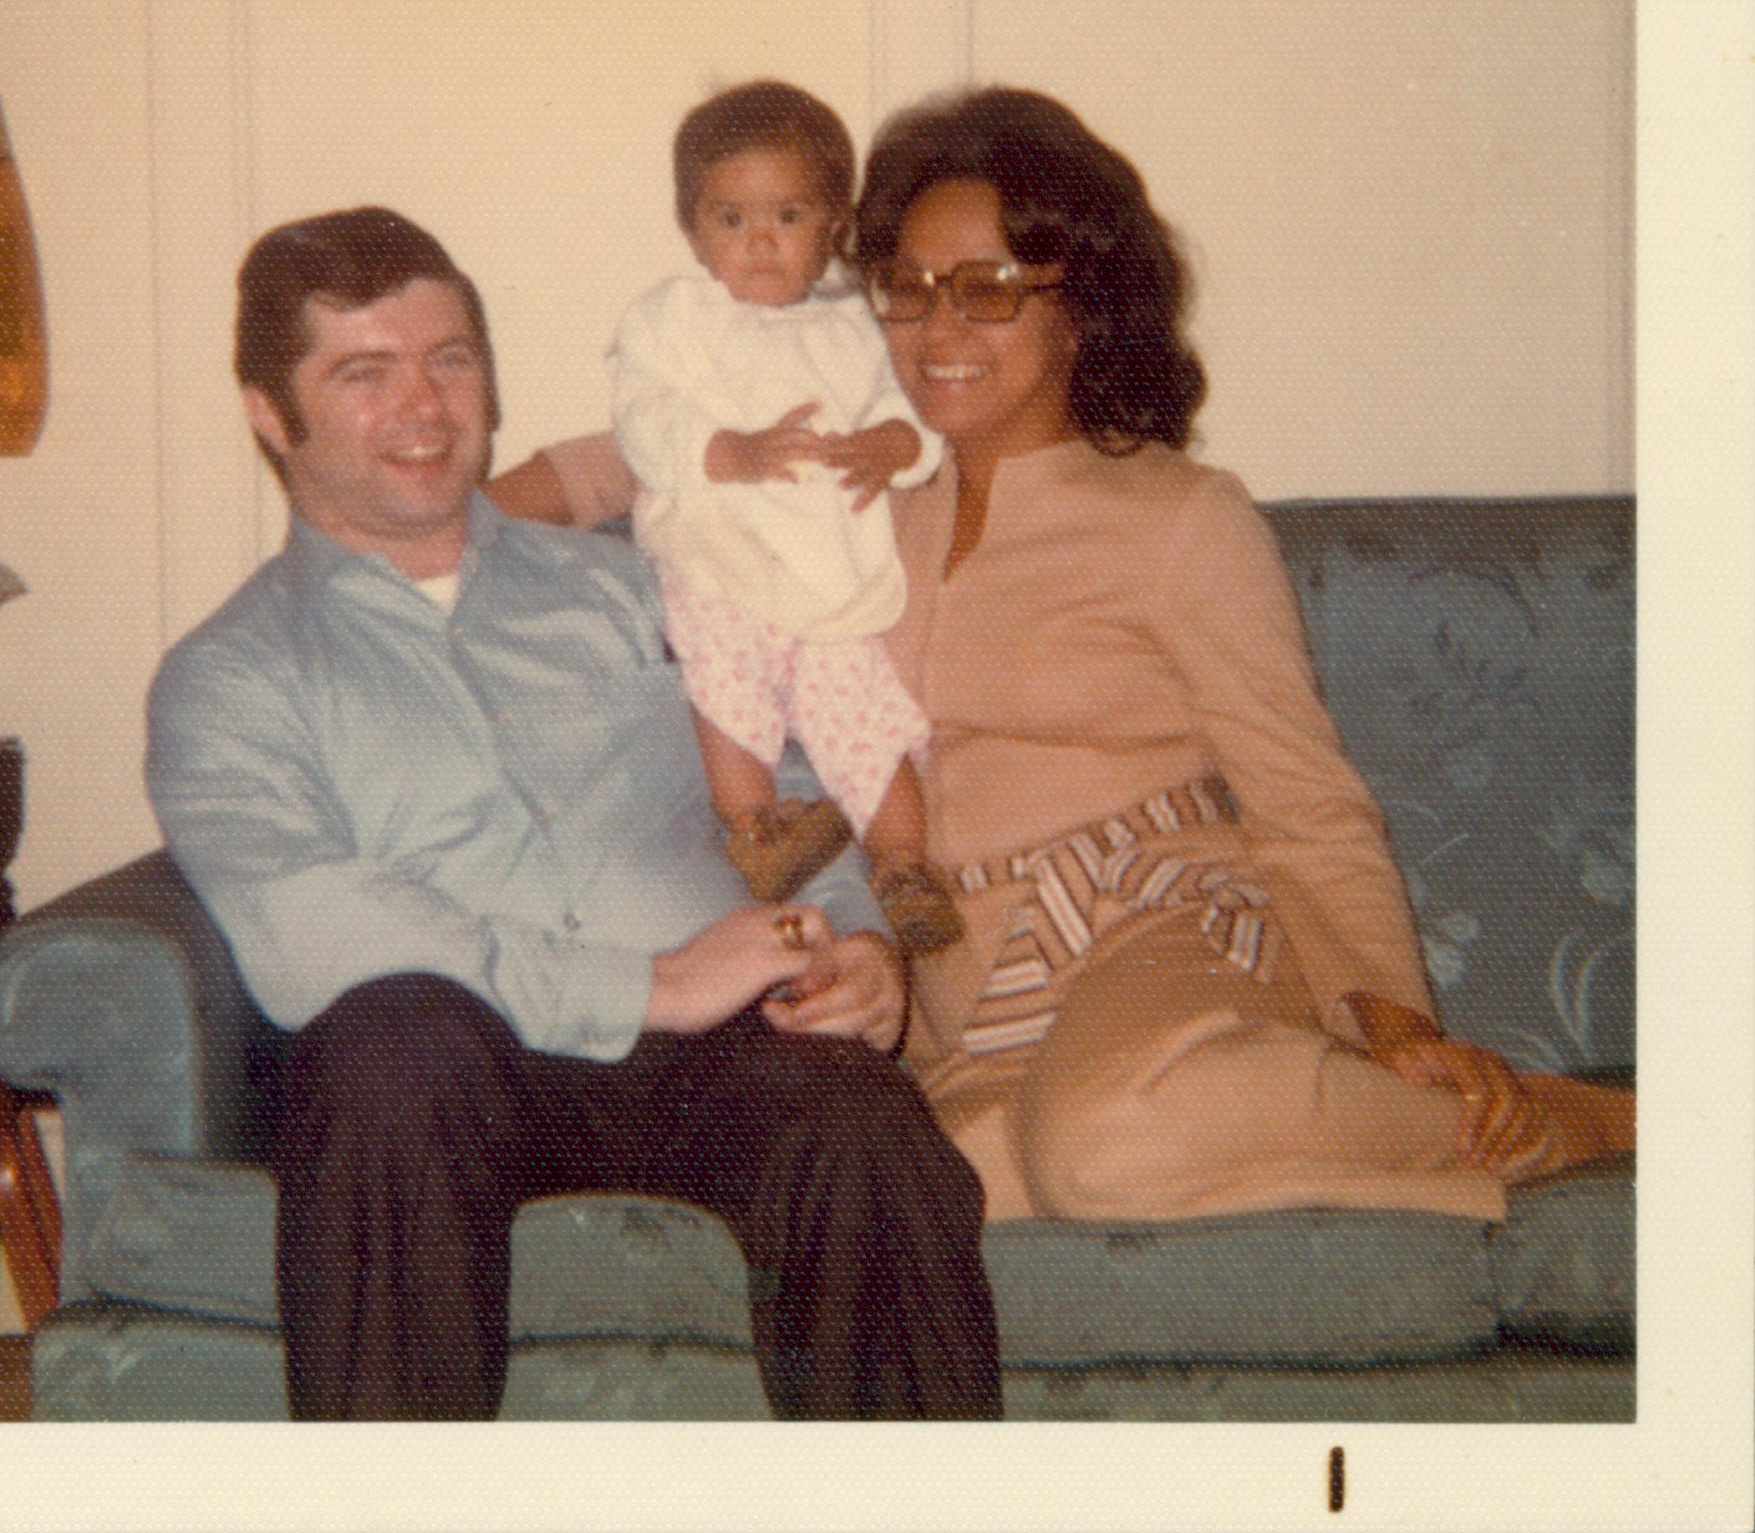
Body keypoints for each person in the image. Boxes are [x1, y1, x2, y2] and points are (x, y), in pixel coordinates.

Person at [494, 89, 1635, 1225]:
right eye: (909, 288)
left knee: (1104, 1141)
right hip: (966, 1000)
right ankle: (1199, 1129)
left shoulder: (1178, 516)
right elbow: (625, 459)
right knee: (919, 1203)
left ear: (1079, 308)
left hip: (1159, 937)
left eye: (988, 288)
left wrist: (1393, 1018)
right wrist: (431, 520)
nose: (938, 329)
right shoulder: (854, 492)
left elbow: (1304, 799)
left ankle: (1551, 1124)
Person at [145, 206, 1001, 1420]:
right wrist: (649, 986)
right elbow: (310, 930)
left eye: (449, 359)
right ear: (269, 415)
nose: (425, 406)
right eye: (363, 375)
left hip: (720, 1057)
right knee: (382, 1043)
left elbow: (795, 780)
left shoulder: (640, 583)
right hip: (460, 1075)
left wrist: (856, 939)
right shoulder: (232, 673)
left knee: (858, 1119)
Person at [609, 81, 961, 953]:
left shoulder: (856, 333)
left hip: (827, 573)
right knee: (725, 687)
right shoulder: (673, 319)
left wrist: (891, 442)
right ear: (693, 229)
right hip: (719, 556)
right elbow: (641, 415)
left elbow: (909, 408)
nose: (759, 241)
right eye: (731, 220)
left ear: (832, 226)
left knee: (863, 715)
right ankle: (756, 827)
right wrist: (722, 450)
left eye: (788, 216)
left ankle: (905, 867)